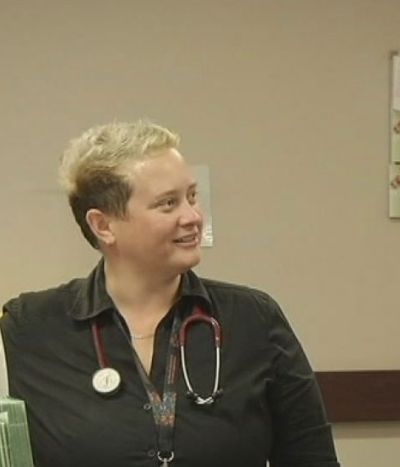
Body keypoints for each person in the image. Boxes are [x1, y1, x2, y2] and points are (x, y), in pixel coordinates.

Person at [0, 120, 340, 467]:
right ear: (103, 225)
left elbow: (311, 459)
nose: (193, 216)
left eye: (192, 197)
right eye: (168, 204)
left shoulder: (253, 318)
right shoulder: (29, 327)